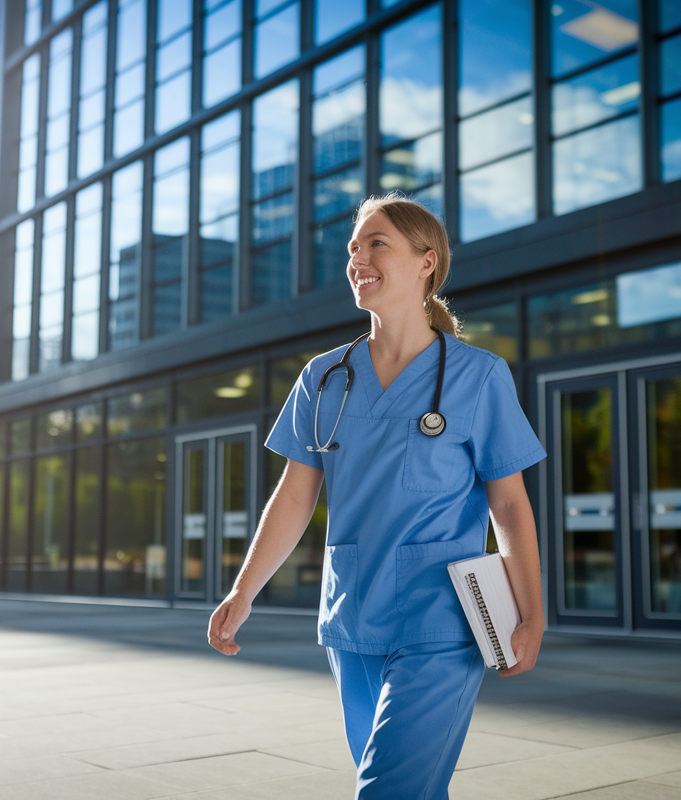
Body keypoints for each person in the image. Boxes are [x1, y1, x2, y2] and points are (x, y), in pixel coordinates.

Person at [207, 193, 547, 798]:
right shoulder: (325, 377)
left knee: (386, 791)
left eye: (376, 243)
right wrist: (243, 589)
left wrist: (532, 613)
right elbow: (294, 497)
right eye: (353, 248)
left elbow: (511, 506)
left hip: (443, 622)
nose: (357, 257)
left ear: (426, 262)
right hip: (351, 618)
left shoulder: (479, 376)